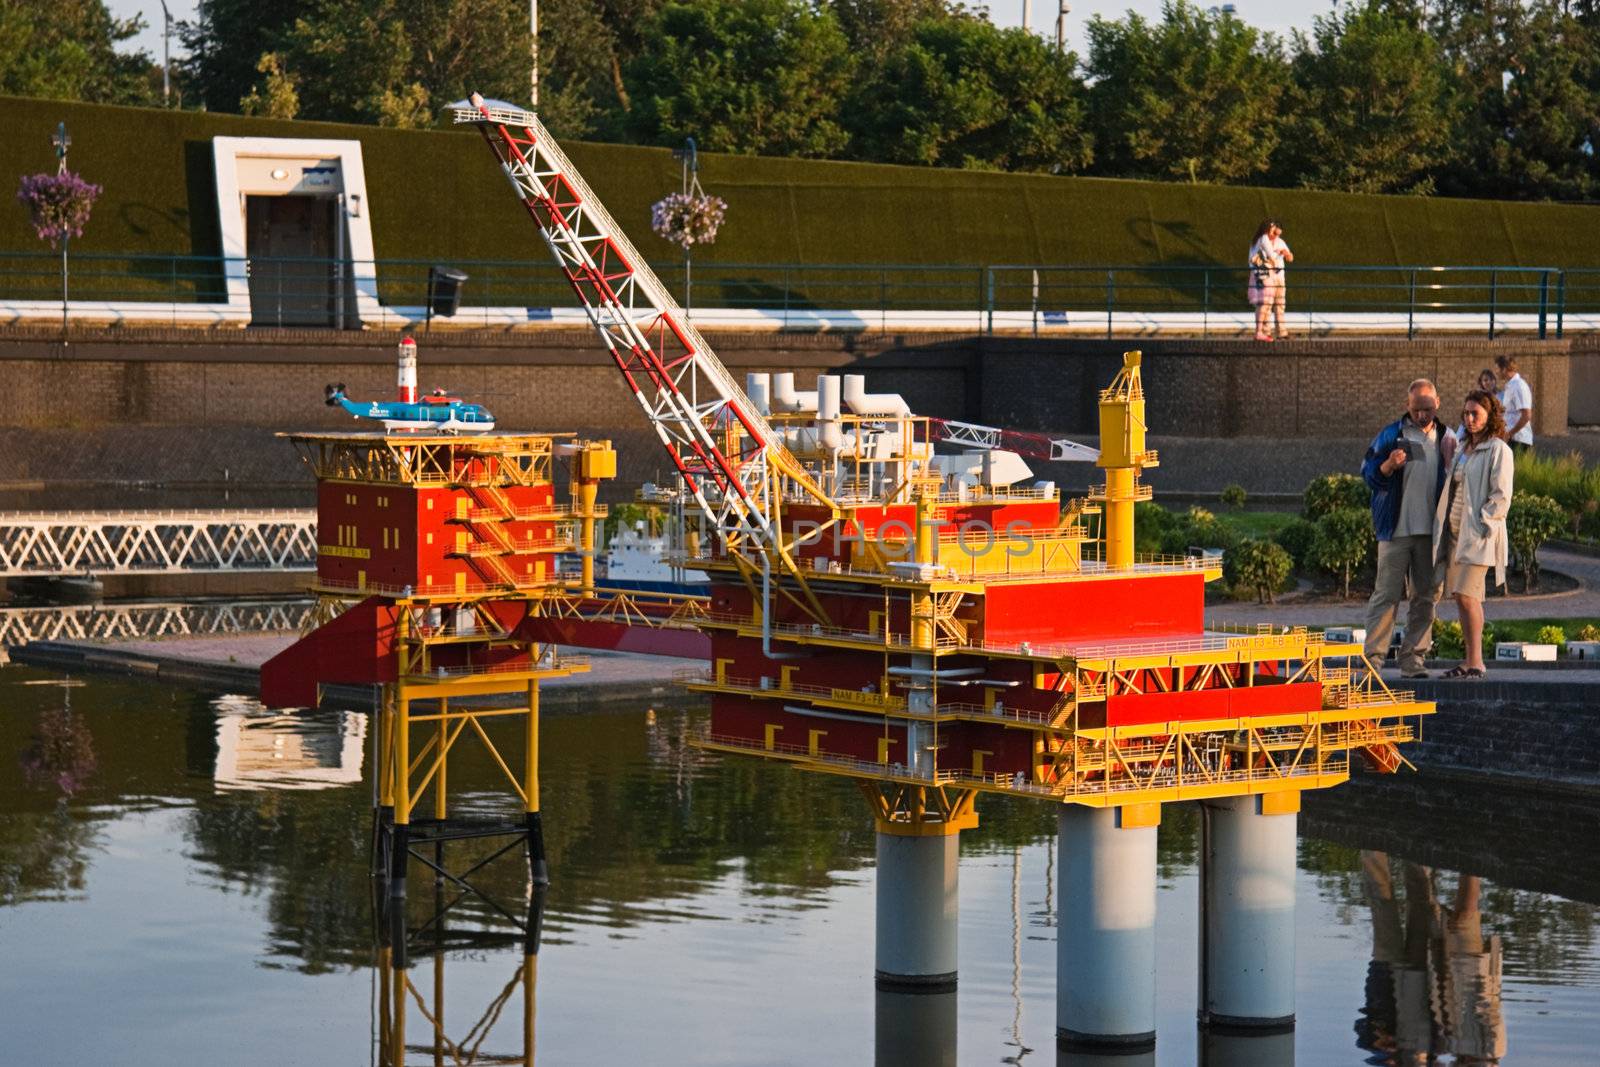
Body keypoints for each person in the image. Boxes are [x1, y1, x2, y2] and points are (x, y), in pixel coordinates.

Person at [1362, 379, 1456, 678]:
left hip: (1431, 534)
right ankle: (1372, 663)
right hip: (1395, 530)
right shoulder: (1392, 434)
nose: (1422, 415)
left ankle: (1413, 660)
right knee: (1385, 596)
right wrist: (1388, 466)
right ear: (1408, 406)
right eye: (1416, 410)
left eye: (1427, 409)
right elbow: (1368, 474)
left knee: (1426, 597)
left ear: (1437, 404)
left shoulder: (1447, 437)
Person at [1433, 389, 1515, 678]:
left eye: (1475, 414)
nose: (1469, 419)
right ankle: (1470, 661)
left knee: (1466, 595)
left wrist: (1483, 524)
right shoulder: (1463, 447)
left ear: (1489, 415)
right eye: (1466, 413)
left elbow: (1502, 496)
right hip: (1455, 533)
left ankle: (1476, 662)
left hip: (1477, 536)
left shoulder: (1498, 450)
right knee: (1463, 597)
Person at [1248, 219, 1293, 341]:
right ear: (1267, 230)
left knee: (1277, 304)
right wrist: (1278, 255)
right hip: (1266, 276)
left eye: (1277, 233)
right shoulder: (1263, 239)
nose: (1275, 235)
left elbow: (1289, 257)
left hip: (1271, 277)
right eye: (1273, 232)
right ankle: (1263, 332)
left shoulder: (1260, 240)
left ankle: (1277, 332)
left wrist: (1285, 254)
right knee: (1265, 304)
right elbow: (1271, 257)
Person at [1494, 355, 1533, 454]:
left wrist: (1510, 434)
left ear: (1504, 369)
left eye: (1497, 369)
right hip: (1512, 438)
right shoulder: (1511, 386)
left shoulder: (1518, 386)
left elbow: (1526, 415)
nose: (1496, 372)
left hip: (1518, 439)